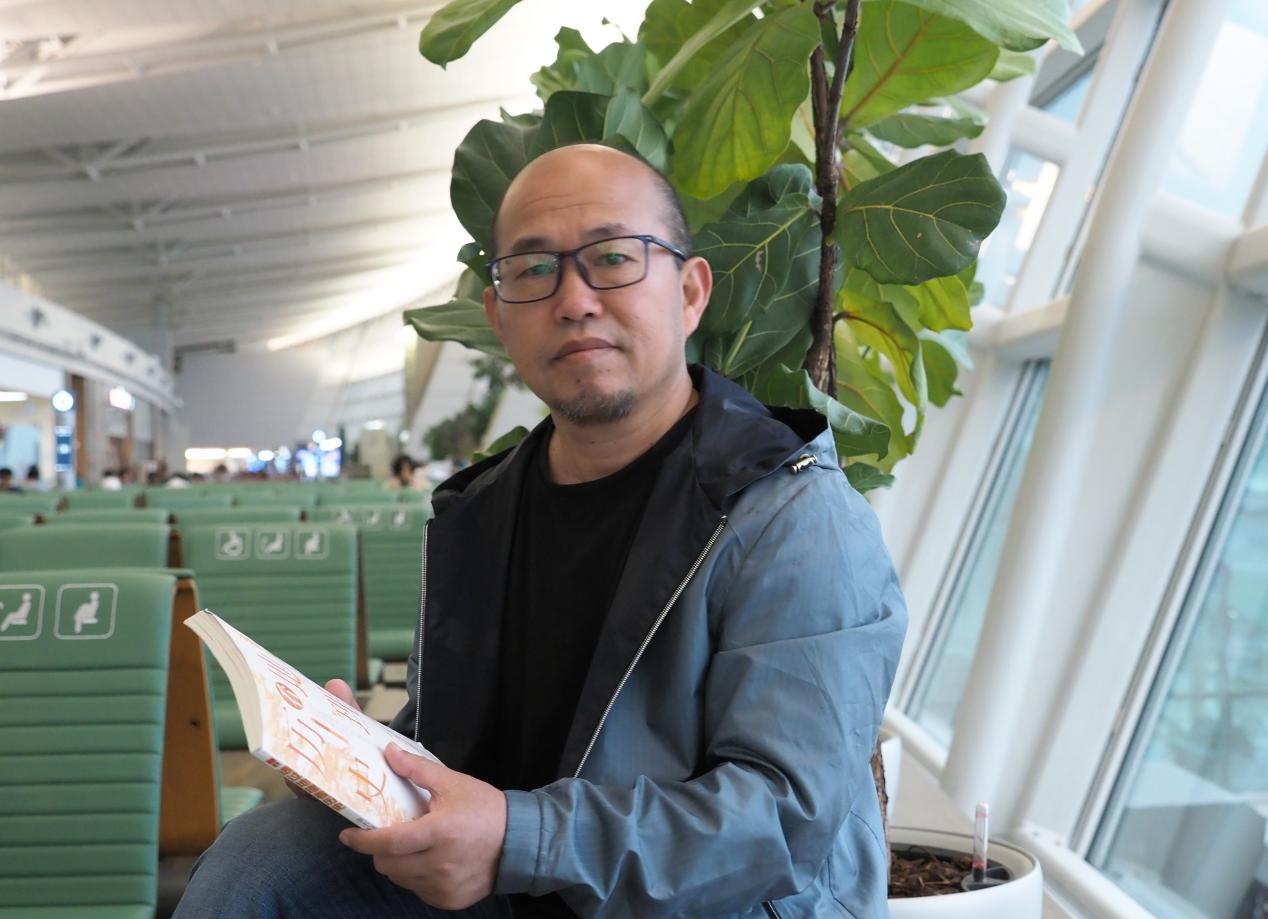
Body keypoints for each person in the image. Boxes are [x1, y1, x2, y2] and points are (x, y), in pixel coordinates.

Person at [173, 144, 906, 918]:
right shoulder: (481, 513)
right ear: (499, 317)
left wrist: (518, 838)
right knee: (264, 858)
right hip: (514, 884)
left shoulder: (792, 517)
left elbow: (782, 823)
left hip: (703, 904)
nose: (574, 299)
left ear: (690, 293)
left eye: (614, 258)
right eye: (533, 271)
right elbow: (453, 752)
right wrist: (361, 762)